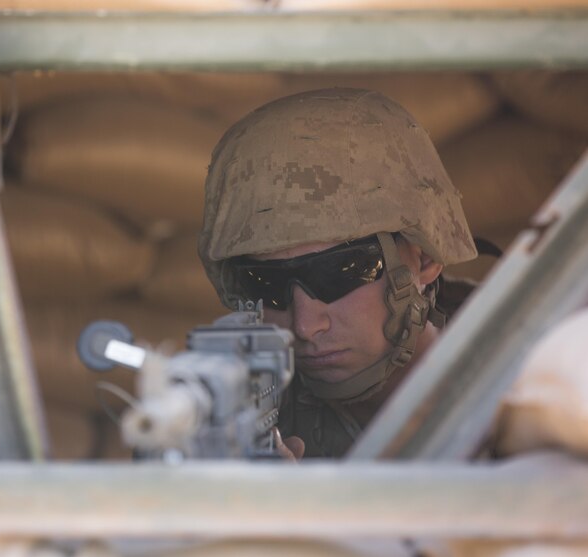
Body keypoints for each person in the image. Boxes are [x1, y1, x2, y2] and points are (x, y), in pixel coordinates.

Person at [197, 88, 478, 459]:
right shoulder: (244, 408)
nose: (305, 325)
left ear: (423, 259)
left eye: (339, 272)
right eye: (266, 282)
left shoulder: (530, 372)